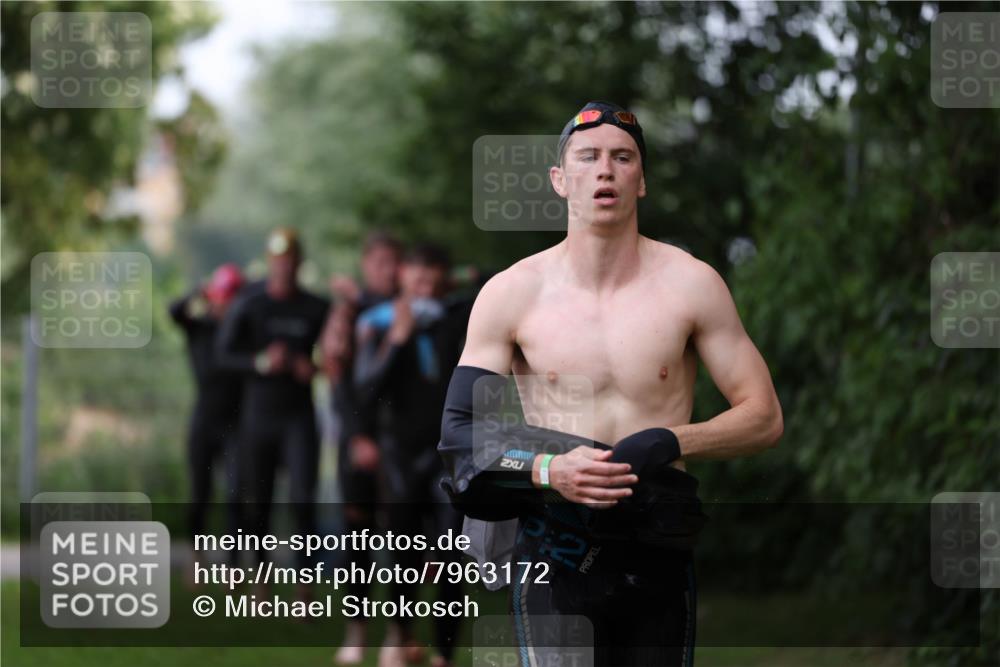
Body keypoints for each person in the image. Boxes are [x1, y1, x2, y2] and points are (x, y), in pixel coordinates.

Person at [438, 101, 784, 667]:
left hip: (657, 542)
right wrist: (550, 468)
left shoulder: (692, 285)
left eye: (623, 158)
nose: (606, 170)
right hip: (555, 543)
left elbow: (764, 416)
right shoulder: (512, 292)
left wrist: (671, 441)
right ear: (560, 179)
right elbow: (460, 435)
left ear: (640, 181)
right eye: (589, 156)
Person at [354, 244, 470, 667]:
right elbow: (364, 394)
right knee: (402, 555)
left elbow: (499, 277)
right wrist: (398, 341)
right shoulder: (378, 324)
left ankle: (443, 652)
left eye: (434, 279)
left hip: (449, 455)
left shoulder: (456, 318)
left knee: (452, 555)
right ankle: (401, 637)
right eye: (417, 278)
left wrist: (463, 274)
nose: (425, 287)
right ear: (402, 276)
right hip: (400, 454)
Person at [216, 228, 330, 601]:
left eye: (290, 260)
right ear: (270, 263)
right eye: (277, 261)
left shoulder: (316, 306)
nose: (283, 267)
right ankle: (260, 579)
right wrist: (261, 361)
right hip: (258, 417)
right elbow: (222, 355)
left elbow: (332, 356)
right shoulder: (250, 303)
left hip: (298, 417)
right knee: (258, 501)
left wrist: (309, 366)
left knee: (302, 498)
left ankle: (304, 584)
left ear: (299, 263)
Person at [321, 231, 402, 665]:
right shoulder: (349, 312)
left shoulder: (411, 313)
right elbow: (337, 380)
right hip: (358, 442)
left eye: (394, 262)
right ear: (366, 264)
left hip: (400, 443)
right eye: (380, 262)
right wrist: (358, 436)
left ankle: (397, 632)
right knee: (358, 540)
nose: (387, 271)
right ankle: (356, 632)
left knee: (402, 539)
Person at [169, 263, 246, 571]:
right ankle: (196, 556)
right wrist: (199, 291)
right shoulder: (198, 328)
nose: (225, 304)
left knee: (235, 493)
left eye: (231, 298)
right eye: (222, 296)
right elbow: (174, 311)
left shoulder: (244, 333)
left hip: (237, 423)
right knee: (200, 492)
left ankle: (233, 563)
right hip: (204, 420)